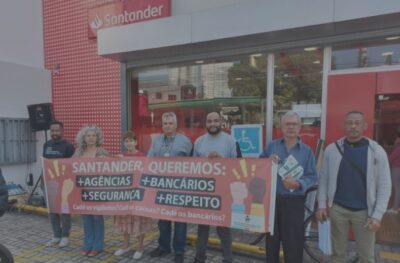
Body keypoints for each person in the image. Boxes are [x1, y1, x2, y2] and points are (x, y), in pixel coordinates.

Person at [316, 111, 391, 263]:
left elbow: (385, 186)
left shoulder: (376, 151)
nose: (353, 126)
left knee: (366, 256)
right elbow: (323, 179)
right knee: (338, 255)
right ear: (344, 126)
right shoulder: (332, 149)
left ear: (365, 126)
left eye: (357, 123)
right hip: (338, 209)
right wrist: (322, 205)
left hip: (365, 212)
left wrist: (377, 215)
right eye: (349, 123)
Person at [260, 111, 317, 263]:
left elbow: (313, 177)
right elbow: (258, 168)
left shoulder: (306, 151)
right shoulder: (272, 146)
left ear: (300, 127)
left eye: (294, 124)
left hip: (294, 203)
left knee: (293, 246)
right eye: (287, 124)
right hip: (272, 202)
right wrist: (266, 163)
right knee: (271, 244)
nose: (291, 127)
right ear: (282, 127)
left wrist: (299, 183)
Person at [147, 112, 192, 263]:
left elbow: (195, 163)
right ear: (162, 125)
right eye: (165, 123)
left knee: (180, 221)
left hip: (180, 188)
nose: (167, 126)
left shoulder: (185, 141)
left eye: (170, 123)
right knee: (163, 220)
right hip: (162, 188)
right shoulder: (156, 141)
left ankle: (179, 251)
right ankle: (163, 247)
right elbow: (149, 160)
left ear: (176, 125)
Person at [192, 111, 237, 263]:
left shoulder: (231, 141)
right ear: (206, 123)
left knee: (223, 227)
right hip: (204, 190)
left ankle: (228, 258)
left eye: (215, 121)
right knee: (202, 226)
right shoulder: (199, 142)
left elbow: (238, 166)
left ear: (221, 122)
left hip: (223, 191)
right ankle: (199, 257)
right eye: (209, 121)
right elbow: (193, 166)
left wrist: (222, 160)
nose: (212, 124)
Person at [113, 131, 153, 259]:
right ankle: (126, 246)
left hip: (139, 194)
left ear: (136, 142)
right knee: (125, 221)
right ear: (124, 143)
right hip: (125, 194)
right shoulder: (121, 156)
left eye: (131, 140)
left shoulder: (143, 156)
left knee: (139, 221)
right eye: (126, 141)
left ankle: (140, 248)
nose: (129, 143)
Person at [74, 125, 108, 257]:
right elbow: (69, 166)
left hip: (97, 190)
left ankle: (98, 246)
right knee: (86, 218)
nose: (91, 138)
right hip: (82, 190)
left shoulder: (102, 152)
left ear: (97, 137)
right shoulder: (78, 152)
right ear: (84, 138)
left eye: (93, 135)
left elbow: (111, 169)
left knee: (97, 218)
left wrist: (105, 161)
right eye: (88, 135)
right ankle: (87, 245)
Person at [43, 121, 74, 248]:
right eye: (52, 131)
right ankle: (56, 236)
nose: (54, 133)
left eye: (57, 130)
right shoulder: (46, 144)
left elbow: (72, 166)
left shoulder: (68, 146)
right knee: (52, 211)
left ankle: (65, 236)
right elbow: (44, 162)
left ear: (62, 131)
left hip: (64, 183)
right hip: (49, 183)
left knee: (65, 211)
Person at [389, 132, 400, 211]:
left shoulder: (398, 148)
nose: (395, 140)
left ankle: (395, 208)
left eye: (397, 138)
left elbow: (391, 158)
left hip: (396, 169)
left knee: (397, 189)